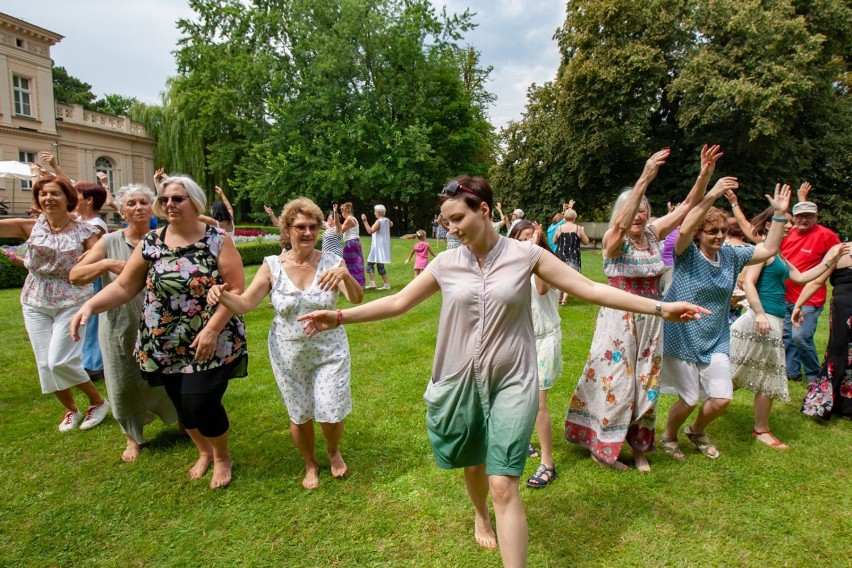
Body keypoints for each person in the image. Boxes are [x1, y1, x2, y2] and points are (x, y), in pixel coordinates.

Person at [296, 176, 707, 567]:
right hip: (459, 380)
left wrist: (661, 307)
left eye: (458, 218)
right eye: (446, 221)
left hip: (515, 380)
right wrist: (339, 316)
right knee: (474, 464)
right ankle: (480, 515)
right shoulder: (446, 263)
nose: (452, 228)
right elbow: (397, 303)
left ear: (485, 210)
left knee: (503, 483)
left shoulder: (526, 255)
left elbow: (593, 289)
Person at [70, 174, 247, 489]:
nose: (168, 204)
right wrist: (89, 307)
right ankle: (203, 451)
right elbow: (125, 286)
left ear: (194, 202)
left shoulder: (217, 239)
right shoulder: (152, 242)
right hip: (162, 341)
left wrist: (211, 330)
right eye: (164, 200)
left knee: (199, 401)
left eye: (176, 198)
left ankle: (222, 456)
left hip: (210, 339)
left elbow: (235, 288)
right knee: (181, 403)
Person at [564, 146, 720, 471]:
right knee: (617, 383)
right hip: (619, 322)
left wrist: (704, 174)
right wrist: (646, 176)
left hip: (652, 321)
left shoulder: (652, 234)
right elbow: (620, 227)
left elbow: (688, 206)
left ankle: (639, 448)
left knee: (646, 385)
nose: (640, 215)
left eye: (644, 210)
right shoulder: (613, 239)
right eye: (634, 209)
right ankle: (602, 447)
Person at [208, 197, 364, 489]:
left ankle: (332, 450)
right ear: (287, 229)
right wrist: (221, 294)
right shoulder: (272, 266)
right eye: (300, 227)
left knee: (330, 410)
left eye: (313, 227)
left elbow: (356, 299)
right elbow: (244, 304)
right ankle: (310, 463)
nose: (307, 233)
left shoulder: (332, 262)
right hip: (287, 353)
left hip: (329, 350)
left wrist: (346, 274)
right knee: (300, 413)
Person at [660, 181, 791, 460]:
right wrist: (712, 194)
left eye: (722, 230)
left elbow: (768, 250)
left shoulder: (731, 256)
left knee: (721, 399)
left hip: (716, 336)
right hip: (681, 334)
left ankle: (695, 431)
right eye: (712, 231)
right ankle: (669, 436)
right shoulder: (687, 255)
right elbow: (683, 229)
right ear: (699, 234)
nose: (719, 236)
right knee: (689, 398)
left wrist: (779, 215)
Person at [69, 184, 179, 461]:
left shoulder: (164, 239)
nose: (139, 207)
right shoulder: (109, 242)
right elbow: (76, 275)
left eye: (144, 202)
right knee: (121, 378)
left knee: (169, 375)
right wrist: (105, 264)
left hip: (161, 321)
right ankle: (132, 437)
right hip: (120, 321)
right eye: (131, 203)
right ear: (121, 211)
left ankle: (183, 422)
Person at [730, 209, 847, 449]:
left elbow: (802, 277)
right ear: (771, 224)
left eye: (789, 223)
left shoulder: (779, 254)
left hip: (773, 319)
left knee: (764, 374)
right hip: (760, 320)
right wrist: (760, 314)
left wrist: (830, 260)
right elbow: (749, 283)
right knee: (744, 372)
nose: (789, 227)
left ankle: (759, 428)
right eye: (785, 223)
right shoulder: (764, 250)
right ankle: (702, 409)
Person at [0, 176, 109, 432]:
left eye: (54, 193)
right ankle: (71, 410)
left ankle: (98, 402)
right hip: (34, 299)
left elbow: (97, 264)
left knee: (60, 360)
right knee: (44, 363)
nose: (48, 198)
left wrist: (95, 263)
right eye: (43, 194)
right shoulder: (30, 227)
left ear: (68, 198)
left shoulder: (86, 231)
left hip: (72, 299)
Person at [507, 220, 562, 489]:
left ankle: (548, 464)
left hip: (544, 339)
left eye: (531, 237)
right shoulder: (510, 267)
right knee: (520, 396)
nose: (525, 242)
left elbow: (541, 289)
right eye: (520, 238)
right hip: (520, 339)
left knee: (539, 402)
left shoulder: (544, 262)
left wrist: (535, 249)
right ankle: (525, 441)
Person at [781, 184, 841, 383]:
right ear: (794, 217)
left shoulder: (827, 236)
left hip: (810, 296)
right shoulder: (786, 233)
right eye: (800, 216)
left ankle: (815, 375)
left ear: (816, 217)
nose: (803, 219)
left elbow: (838, 259)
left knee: (800, 337)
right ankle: (792, 373)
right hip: (784, 293)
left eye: (808, 216)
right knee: (787, 337)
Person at [795, 243, 852, 421]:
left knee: (838, 352)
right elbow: (817, 280)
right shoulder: (840, 250)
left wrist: (798, 305)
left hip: (843, 306)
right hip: (844, 307)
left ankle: (828, 403)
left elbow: (817, 280)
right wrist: (799, 304)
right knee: (839, 352)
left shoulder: (840, 250)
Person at [74, 182, 109, 381]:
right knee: (85, 320)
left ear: (89, 200)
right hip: (83, 277)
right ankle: (86, 361)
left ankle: (94, 364)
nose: (72, 198)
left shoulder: (95, 225)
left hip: (93, 278)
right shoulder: (80, 220)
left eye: (77, 195)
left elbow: (93, 255)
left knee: (93, 320)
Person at [553, 204, 590, 306]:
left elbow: (554, 241)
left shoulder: (559, 228)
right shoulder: (578, 229)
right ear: (574, 218)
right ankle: (564, 299)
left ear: (564, 218)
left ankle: (558, 298)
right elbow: (586, 242)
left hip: (560, 255)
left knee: (560, 277)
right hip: (573, 256)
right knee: (570, 278)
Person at [362, 204, 393, 290]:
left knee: (370, 264)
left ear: (378, 212)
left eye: (375, 211)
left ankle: (374, 283)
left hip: (378, 246)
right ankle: (385, 284)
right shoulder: (387, 220)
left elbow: (370, 231)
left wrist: (365, 221)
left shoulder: (379, 221)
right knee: (380, 265)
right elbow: (391, 224)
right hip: (383, 245)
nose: (374, 213)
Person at [338, 202, 366, 287]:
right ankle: (359, 283)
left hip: (350, 243)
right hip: (355, 242)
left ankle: (354, 284)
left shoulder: (349, 219)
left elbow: (340, 230)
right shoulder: (353, 219)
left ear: (346, 210)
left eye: (342, 210)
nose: (341, 212)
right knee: (357, 262)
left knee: (349, 263)